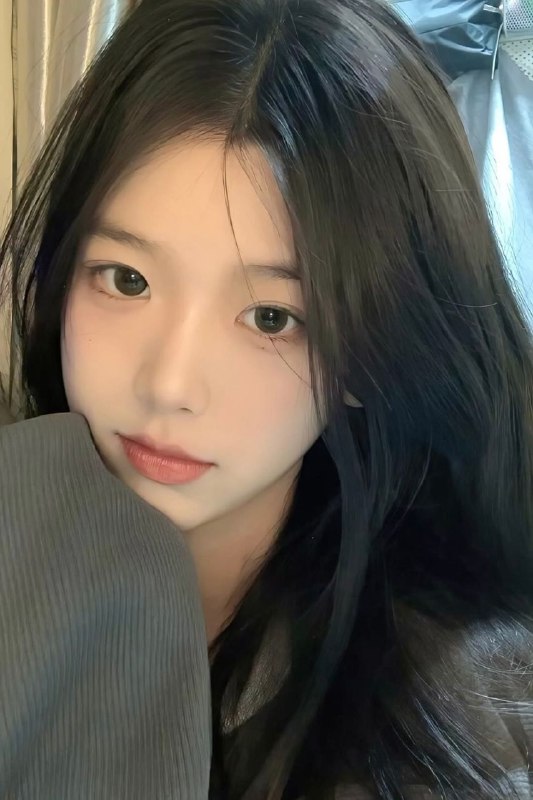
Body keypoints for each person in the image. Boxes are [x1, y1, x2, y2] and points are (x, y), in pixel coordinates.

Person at [0, 0, 532, 798]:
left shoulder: (463, 719)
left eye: (272, 318)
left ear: (371, 349)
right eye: (127, 279)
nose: (169, 385)